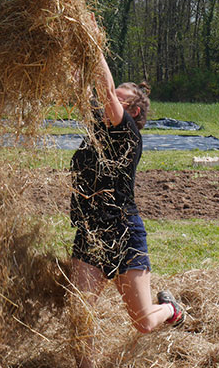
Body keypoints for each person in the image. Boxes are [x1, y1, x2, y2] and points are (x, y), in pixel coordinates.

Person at [69, 51, 185, 367]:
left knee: (144, 322)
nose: (109, 104)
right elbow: (83, 91)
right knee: (79, 311)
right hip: (90, 232)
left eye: (120, 101)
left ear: (132, 110)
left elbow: (104, 92)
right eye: (113, 99)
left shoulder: (128, 134)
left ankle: (171, 309)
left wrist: (92, 48)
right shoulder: (98, 129)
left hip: (123, 233)